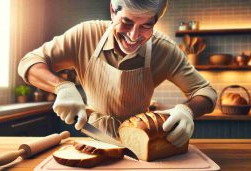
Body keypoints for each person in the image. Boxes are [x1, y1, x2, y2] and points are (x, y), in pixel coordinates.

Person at [18, 0, 217, 147]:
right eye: (127, 22)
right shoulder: (85, 35)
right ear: (113, 10)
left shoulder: (164, 49)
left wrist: (187, 111)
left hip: (141, 143)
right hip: (92, 139)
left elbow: (205, 91)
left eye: (146, 26)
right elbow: (29, 63)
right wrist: (62, 87)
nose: (133, 36)